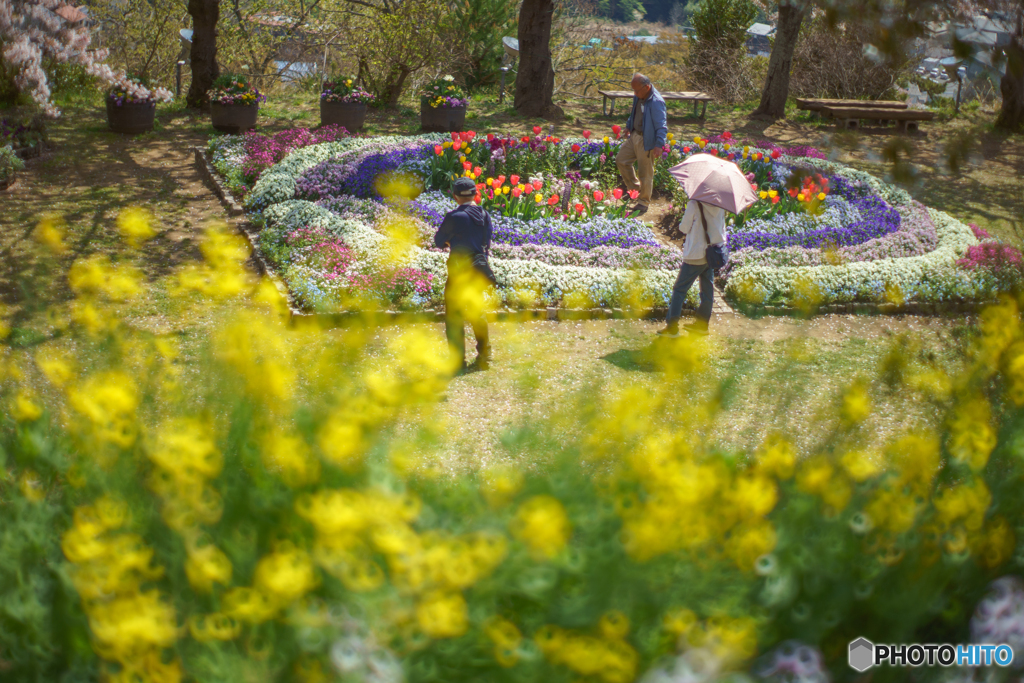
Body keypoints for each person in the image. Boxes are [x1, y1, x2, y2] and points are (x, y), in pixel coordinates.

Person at [434, 176, 496, 372]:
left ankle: (457, 361)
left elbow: (438, 241)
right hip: (478, 270)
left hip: (459, 271)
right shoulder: (485, 215)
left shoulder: (454, 217)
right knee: (477, 312)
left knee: (454, 316)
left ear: (455, 196)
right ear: (475, 194)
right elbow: (486, 242)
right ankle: (485, 355)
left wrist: (451, 242)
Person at [658, 199, 727, 337]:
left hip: (695, 254)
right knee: (707, 290)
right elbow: (721, 229)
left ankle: (672, 327)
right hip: (712, 254)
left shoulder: (695, 204)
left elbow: (683, 228)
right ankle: (702, 325)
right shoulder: (720, 204)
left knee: (679, 289)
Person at [615, 73, 668, 217]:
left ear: (647, 87)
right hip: (634, 135)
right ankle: (634, 190)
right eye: (634, 90)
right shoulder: (638, 96)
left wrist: (658, 144)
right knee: (621, 160)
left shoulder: (657, 102)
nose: (635, 93)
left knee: (645, 173)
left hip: (647, 140)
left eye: (637, 90)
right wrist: (628, 126)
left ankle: (643, 202)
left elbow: (662, 126)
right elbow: (634, 113)